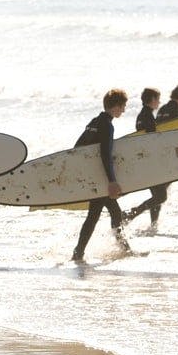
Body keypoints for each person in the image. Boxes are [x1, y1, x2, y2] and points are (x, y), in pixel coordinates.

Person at [71, 89, 131, 262]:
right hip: (101, 178)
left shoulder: (95, 121)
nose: (124, 110)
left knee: (113, 212)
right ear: (116, 106)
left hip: (93, 176)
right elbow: (105, 154)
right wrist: (111, 181)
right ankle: (78, 253)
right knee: (95, 215)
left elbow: (77, 149)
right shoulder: (107, 125)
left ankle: (123, 248)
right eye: (123, 106)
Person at [126, 84, 178, 227]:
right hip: (155, 161)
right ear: (152, 99)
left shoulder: (148, 114)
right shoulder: (150, 115)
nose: (159, 102)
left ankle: (152, 224)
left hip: (147, 160)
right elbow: (157, 139)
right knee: (161, 196)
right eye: (157, 99)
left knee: (159, 195)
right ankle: (133, 214)